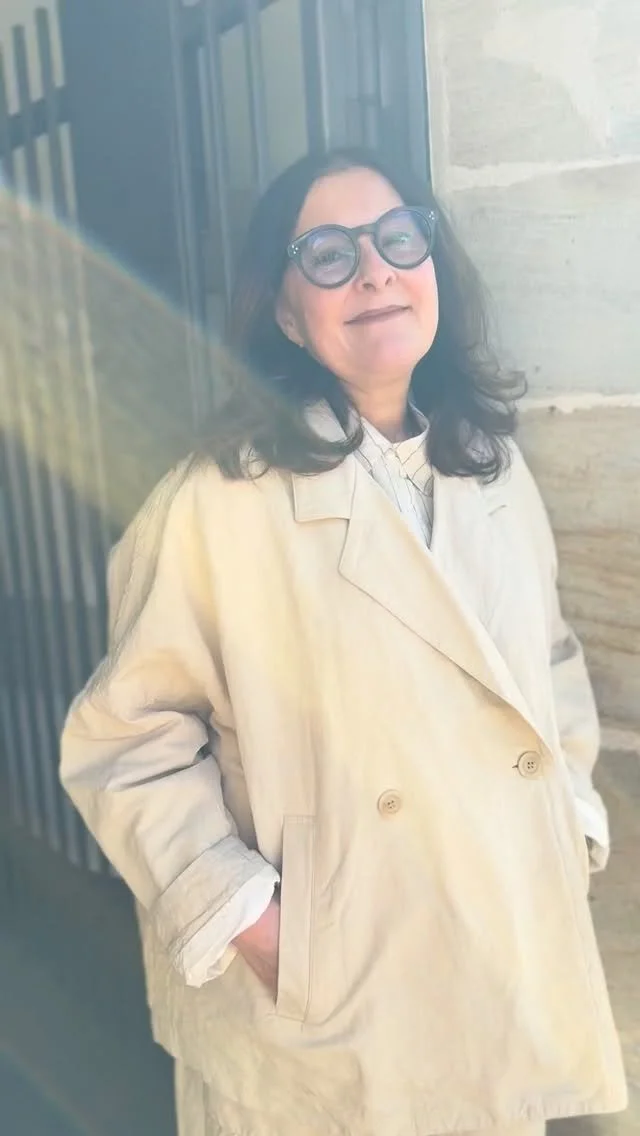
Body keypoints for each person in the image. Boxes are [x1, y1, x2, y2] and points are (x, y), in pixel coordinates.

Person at [60, 148, 627, 1136]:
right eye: (328, 254)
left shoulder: (490, 470)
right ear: (286, 313)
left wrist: (566, 821)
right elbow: (125, 740)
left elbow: (550, 660)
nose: (374, 272)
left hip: (495, 968)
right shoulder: (219, 497)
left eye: (399, 239)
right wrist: (251, 921)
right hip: (329, 1012)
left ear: (433, 269)